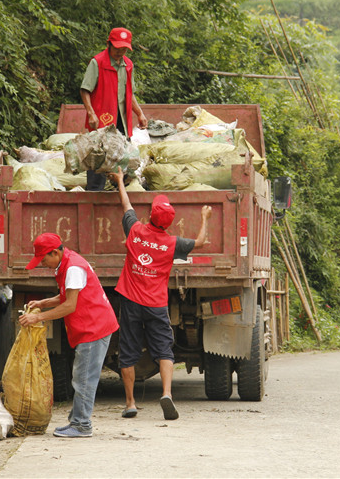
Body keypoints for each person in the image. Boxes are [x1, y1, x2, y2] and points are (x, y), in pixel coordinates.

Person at [109, 168, 212, 420]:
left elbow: (126, 204)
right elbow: (200, 243)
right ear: (169, 222)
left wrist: (120, 181)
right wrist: (205, 217)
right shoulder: (172, 243)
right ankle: (167, 393)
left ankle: (131, 403)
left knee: (128, 352)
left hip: (131, 302)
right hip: (156, 305)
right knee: (165, 350)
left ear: (150, 216)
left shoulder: (134, 231)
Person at [20, 232, 119, 438]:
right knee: (81, 375)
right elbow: (68, 294)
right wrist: (43, 302)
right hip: (92, 325)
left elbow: (70, 305)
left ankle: (82, 425)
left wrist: (38, 318)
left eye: (44, 259)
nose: (43, 264)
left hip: (94, 327)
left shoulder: (73, 267)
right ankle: (77, 420)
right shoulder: (68, 262)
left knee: (84, 378)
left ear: (55, 252)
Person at [80, 27, 149, 191]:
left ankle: (120, 194)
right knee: (98, 158)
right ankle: (94, 194)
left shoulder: (128, 65)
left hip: (121, 121)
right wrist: (91, 113)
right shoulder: (98, 63)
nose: (120, 52)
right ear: (109, 44)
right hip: (101, 121)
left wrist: (139, 113)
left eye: (124, 48)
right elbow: (85, 89)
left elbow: (129, 94)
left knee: (123, 160)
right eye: (117, 48)